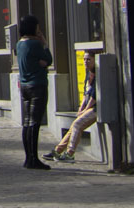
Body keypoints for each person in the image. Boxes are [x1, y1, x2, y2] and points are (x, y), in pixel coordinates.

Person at [16, 14, 54, 169]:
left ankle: (28, 157)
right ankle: (33, 158)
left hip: (24, 86)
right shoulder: (35, 44)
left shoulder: (19, 44)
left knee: (26, 122)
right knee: (34, 123)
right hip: (37, 85)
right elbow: (48, 60)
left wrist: (41, 62)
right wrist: (44, 44)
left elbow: (43, 62)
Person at [46, 51, 97, 162]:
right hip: (89, 107)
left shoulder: (98, 73)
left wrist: (85, 110)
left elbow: (94, 96)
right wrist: (81, 108)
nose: (85, 62)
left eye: (88, 59)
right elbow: (86, 93)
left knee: (77, 124)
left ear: (94, 60)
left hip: (96, 108)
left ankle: (70, 154)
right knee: (74, 125)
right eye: (84, 59)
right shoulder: (88, 74)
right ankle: (58, 151)